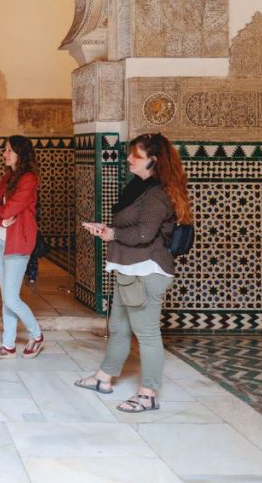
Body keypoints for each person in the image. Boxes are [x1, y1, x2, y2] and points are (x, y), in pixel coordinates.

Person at [75, 133, 192, 413]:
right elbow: (131, 228)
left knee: (147, 333)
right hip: (129, 268)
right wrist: (108, 231)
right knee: (119, 328)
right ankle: (104, 377)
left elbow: (143, 233)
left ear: (152, 161)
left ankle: (148, 393)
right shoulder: (140, 188)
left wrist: (112, 233)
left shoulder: (156, 194)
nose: (128, 159)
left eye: (135, 156)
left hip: (146, 271)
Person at [0, 136, 45, 360]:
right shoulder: (7, 177)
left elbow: (9, 208)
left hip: (18, 243)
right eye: (5, 150)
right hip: (1, 241)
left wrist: (1, 214)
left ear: (21, 153)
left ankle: (36, 335)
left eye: (9, 150)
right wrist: (0, 221)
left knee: (11, 298)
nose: (4, 154)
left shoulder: (29, 179)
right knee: (6, 296)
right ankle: (8, 346)